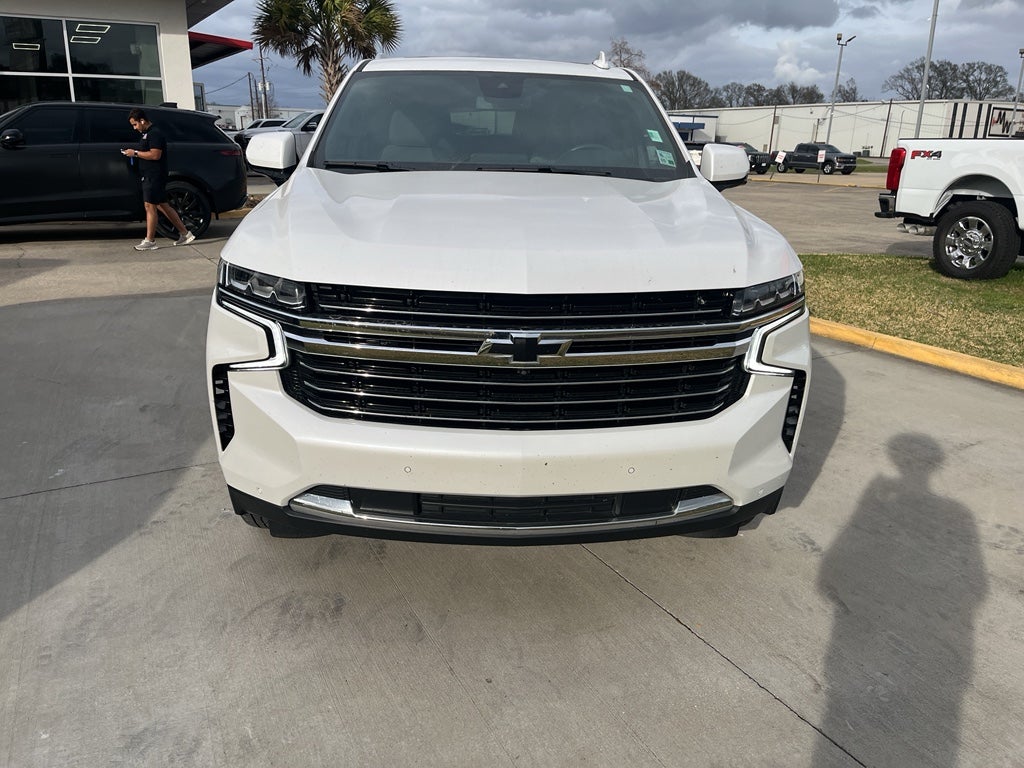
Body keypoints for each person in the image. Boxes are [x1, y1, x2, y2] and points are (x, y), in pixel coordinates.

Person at [121, 108, 195, 250]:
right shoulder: (147, 134)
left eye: (135, 124)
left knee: (149, 206)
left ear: (142, 120)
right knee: (162, 205)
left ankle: (150, 240)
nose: (134, 128)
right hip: (151, 174)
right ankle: (185, 233)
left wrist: (135, 153)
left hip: (154, 175)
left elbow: (155, 155)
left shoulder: (155, 134)